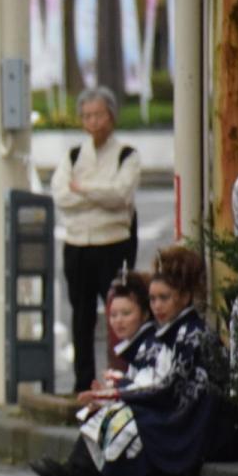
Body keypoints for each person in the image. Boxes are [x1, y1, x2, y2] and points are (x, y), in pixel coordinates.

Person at [32, 249, 230, 476]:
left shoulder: (190, 334)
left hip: (193, 421)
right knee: (115, 411)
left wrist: (118, 392)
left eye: (164, 298)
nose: (157, 306)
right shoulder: (176, 331)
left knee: (122, 414)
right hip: (182, 413)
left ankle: (81, 475)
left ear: (184, 297)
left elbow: (168, 388)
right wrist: (119, 390)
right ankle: (78, 473)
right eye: (153, 299)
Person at [52, 86, 142, 392]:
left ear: (112, 116)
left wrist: (83, 189)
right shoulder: (73, 154)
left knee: (121, 312)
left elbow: (120, 195)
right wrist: (97, 192)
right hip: (77, 244)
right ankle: (83, 382)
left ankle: (121, 378)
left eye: (99, 115)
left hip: (113, 244)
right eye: (87, 116)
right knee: (81, 315)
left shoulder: (126, 155)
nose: (93, 121)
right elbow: (61, 195)